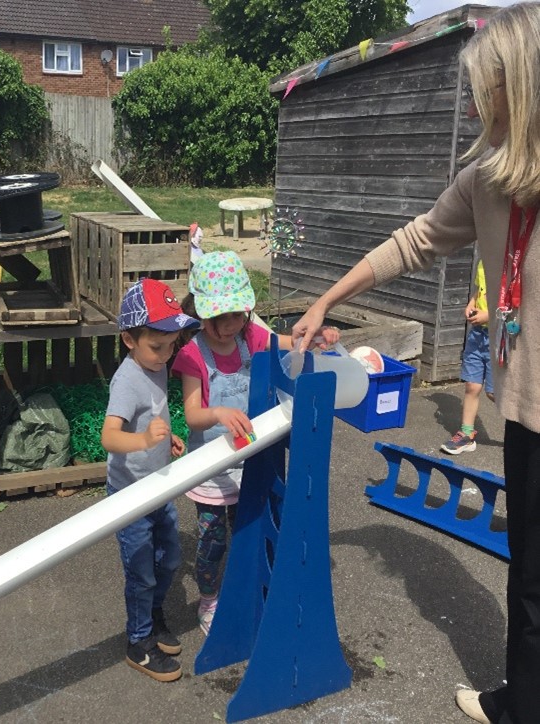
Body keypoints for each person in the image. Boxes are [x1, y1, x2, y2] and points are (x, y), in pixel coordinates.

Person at [291, 5, 540, 722]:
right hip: (525, 412)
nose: (470, 105)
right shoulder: (486, 181)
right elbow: (413, 242)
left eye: (482, 89)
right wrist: (325, 301)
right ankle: (522, 702)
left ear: (520, 86)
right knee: (530, 574)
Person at [172, 251, 340, 635]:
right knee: (212, 542)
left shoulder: (250, 337)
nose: (230, 325)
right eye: (220, 317)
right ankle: (209, 600)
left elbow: (290, 343)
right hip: (213, 469)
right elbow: (193, 415)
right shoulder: (193, 353)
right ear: (202, 313)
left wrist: (317, 339)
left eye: (237, 315)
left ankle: (245, 589)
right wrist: (218, 413)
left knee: (249, 532)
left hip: (250, 460)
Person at [100, 277, 200, 682]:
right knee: (141, 571)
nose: (166, 354)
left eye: (172, 345)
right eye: (157, 346)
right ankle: (138, 641)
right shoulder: (127, 380)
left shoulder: (155, 365)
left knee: (170, 558)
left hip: (157, 487)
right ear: (129, 339)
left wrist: (165, 437)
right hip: (130, 494)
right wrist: (143, 441)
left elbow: (153, 414)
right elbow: (110, 437)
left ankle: (153, 617)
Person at [441, 258, 496, 454]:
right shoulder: (483, 260)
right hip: (477, 335)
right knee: (472, 385)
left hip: (499, 336)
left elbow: (518, 305)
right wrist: (471, 303)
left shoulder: (512, 261)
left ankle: (531, 424)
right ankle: (466, 435)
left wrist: (489, 315)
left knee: (494, 393)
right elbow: (480, 290)